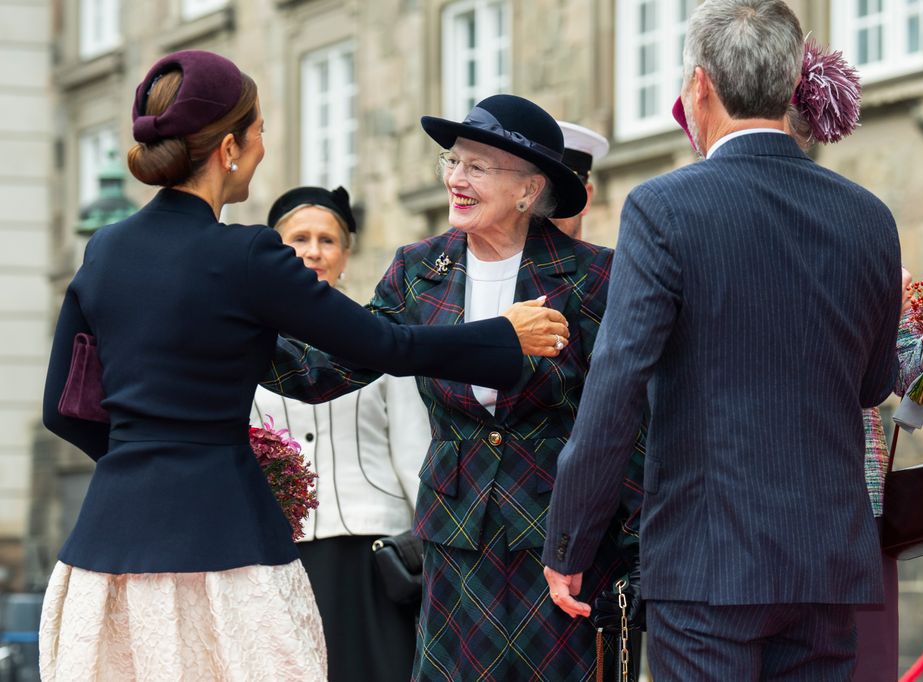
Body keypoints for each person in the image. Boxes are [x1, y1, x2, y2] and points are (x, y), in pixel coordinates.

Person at [37, 50, 567, 681]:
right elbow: (383, 346)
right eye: (260, 135)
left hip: (106, 547)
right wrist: (503, 335)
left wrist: (144, 463)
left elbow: (62, 408)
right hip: (227, 543)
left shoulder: (106, 249)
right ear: (229, 146)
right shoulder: (246, 254)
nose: (263, 150)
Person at [541, 1, 905, 679]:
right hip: (825, 560)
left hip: (708, 560)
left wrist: (569, 539)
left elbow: (617, 386)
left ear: (700, 86)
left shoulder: (664, 207)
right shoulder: (868, 217)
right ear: (794, 84)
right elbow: (873, 382)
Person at [263, 94, 645, 681]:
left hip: (562, 551)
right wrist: (228, 342)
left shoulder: (596, 275)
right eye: (453, 161)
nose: (456, 179)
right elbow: (332, 368)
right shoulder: (418, 270)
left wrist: (631, 547)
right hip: (455, 544)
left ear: (528, 189)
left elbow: (630, 419)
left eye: (478, 167)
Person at [783, 46, 923, 679]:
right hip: (740, 514)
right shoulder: (691, 219)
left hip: (848, 507)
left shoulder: (857, 231)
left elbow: (906, 372)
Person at [250, 185, 429, 681]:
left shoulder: (382, 336)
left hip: (374, 554)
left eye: (327, 240)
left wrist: (430, 542)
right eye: (299, 238)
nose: (313, 251)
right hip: (279, 552)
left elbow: (414, 450)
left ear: (345, 253)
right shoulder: (245, 341)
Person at [549, 121, 609, 240]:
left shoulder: (611, 259)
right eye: (532, 190)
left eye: (559, 192)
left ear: (586, 198)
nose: (543, 207)